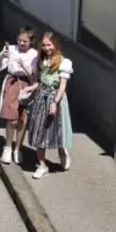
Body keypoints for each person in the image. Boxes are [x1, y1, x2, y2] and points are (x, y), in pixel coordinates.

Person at [21, 32, 74, 178]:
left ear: (55, 44)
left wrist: (55, 102)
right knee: (39, 131)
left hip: (56, 98)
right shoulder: (40, 60)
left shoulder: (64, 62)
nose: (46, 48)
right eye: (44, 45)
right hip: (40, 99)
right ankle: (42, 165)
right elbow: (40, 81)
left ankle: (62, 150)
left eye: (49, 45)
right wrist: (32, 87)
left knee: (58, 130)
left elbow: (62, 86)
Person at [0, 29, 39, 167]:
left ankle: (18, 148)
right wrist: (2, 56)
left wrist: (24, 67)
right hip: (12, 83)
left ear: (31, 42)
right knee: (11, 118)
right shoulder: (11, 49)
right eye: (20, 40)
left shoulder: (34, 54)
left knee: (23, 120)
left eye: (25, 41)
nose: (21, 43)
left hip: (27, 86)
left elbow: (35, 76)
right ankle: (7, 147)